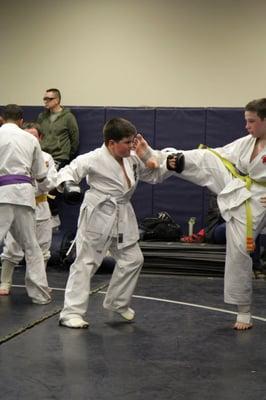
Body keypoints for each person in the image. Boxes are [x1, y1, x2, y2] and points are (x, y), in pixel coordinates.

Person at [146, 97, 266, 330]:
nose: (247, 126)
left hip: (262, 198)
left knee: (242, 246)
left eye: (251, 121)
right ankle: (160, 158)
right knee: (209, 158)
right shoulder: (247, 142)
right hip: (245, 192)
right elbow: (222, 154)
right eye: (246, 121)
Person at [57, 117, 173, 328]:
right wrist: (68, 186)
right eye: (127, 142)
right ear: (112, 143)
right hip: (98, 214)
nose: (132, 146)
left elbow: (153, 174)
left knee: (133, 259)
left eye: (132, 142)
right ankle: (70, 313)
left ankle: (116, 302)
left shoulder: (132, 158)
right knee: (85, 263)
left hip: (122, 214)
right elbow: (68, 171)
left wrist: (171, 164)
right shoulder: (92, 158)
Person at [0, 105, 51, 304]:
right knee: (32, 246)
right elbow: (40, 175)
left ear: (2, 119)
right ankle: (40, 295)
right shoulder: (31, 139)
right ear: (22, 121)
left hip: (2, 193)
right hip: (24, 195)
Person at [36, 88, 79, 227]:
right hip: (44, 155)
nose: (46, 101)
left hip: (60, 156)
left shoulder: (68, 117)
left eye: (49, 99)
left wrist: (67, 154)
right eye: (44, 99)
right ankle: (46, 216)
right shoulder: (42, 117)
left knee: (50, 185)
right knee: (40, 184)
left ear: (57, 100)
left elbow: (75, 138)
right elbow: (38, 134)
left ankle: (54, 216)